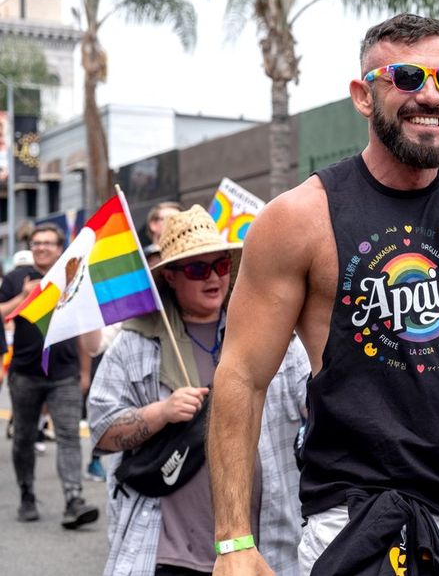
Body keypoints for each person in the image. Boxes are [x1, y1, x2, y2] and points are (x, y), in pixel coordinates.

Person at [207, 13, 439, 575]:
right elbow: (241, 375)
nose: (430, 96)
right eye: (407, 78)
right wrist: (233, 541)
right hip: (359, 526)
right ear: (364, 96)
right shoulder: (299, 218)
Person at [88, 205, 308, 576]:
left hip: (262, 547)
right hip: (168, 550)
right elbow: (101, 431)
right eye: (196, 268)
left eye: (220, 265)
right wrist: (161, 412)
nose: (213, 277)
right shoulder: (135, 343)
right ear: (171, 277)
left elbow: (314, 402)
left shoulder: (271, 335)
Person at [0, 223, 101, 527]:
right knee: (24, 438)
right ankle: (27, 495)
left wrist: (84, 373)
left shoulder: (73, 276)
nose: (41, 247)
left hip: (64, 374)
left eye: (48, 243)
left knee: (69, 436)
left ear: (61, 248)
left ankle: (74, 499)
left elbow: (83, 326)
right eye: (36, 242)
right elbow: (2, 312)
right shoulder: (16, 278)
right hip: (25, 374)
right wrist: (24, 296)